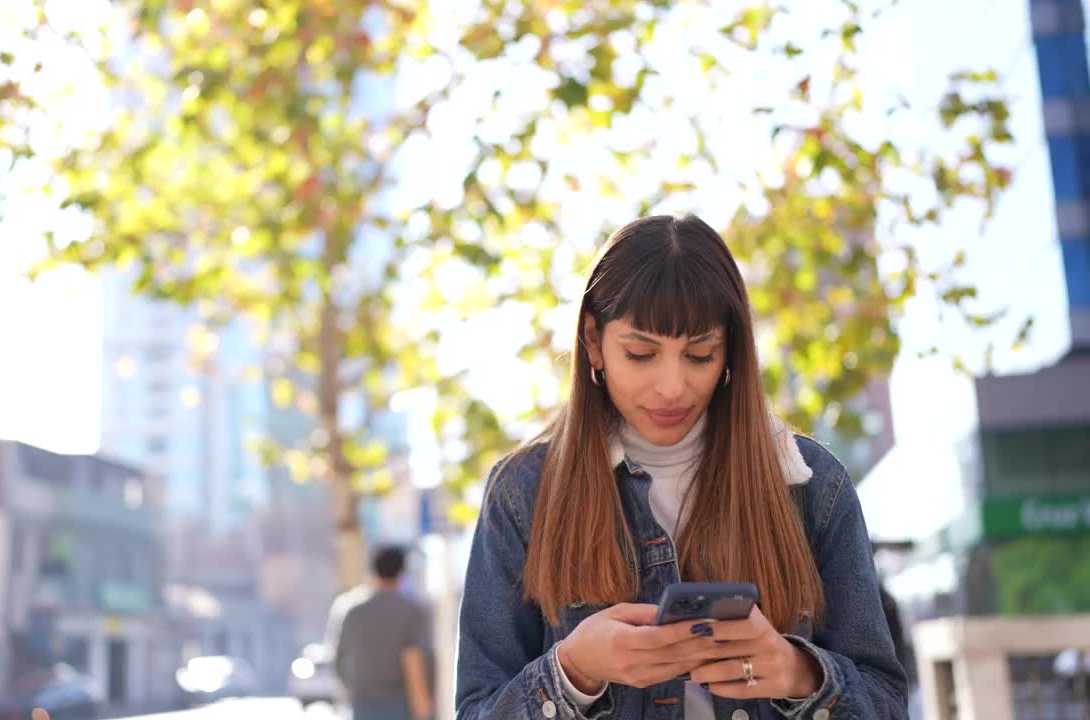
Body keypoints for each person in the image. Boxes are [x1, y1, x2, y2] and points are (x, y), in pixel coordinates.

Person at [455, 215, 908, 719]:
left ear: (730, 351)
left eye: (699, 354)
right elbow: (477, 708)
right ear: (592, 342)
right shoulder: (524, 492)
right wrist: (573, 670)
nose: (672, 386)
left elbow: (887, 702)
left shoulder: (813, 485)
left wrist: (797, 672)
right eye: (641, 354)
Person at [335, 545, 435, 720]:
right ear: (401, 572)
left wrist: (353, 690)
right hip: (401, 705)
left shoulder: (350, 610)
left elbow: (338, 660)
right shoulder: (412, 611)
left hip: (362, 705)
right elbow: (417, 659)